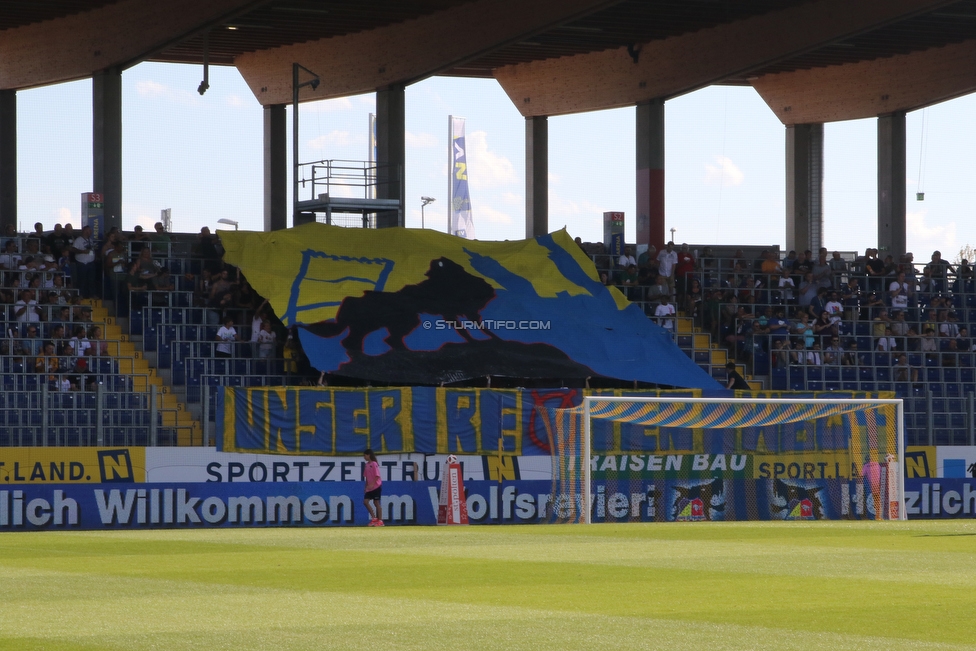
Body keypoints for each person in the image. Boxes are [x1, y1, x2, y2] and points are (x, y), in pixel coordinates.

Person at [363, 448, 384, 526]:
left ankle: (380, 521)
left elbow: (377, 476)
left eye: (365, 455)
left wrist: (372, 484)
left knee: (376, 503)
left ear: (369, 455)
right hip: (369, 488)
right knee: (365, 502)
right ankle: (374, 518)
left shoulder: (374, 464)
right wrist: (366, 487)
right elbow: (367, 477)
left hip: (376, 486)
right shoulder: (367, 465)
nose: (364, 457)